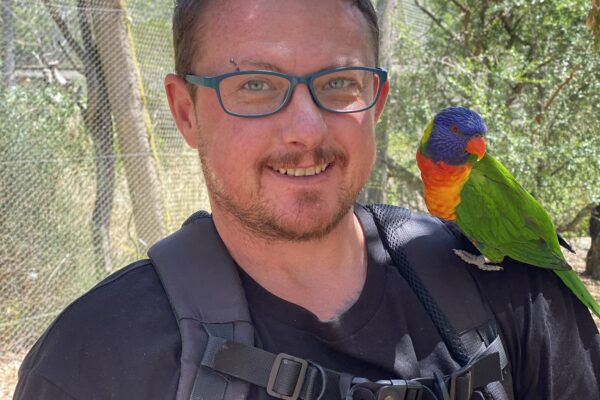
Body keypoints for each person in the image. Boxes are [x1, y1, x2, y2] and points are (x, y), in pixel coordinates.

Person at [13, 0, 600, 399]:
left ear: (377, 100)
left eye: (338, 82)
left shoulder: (519, 297)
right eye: (256, 84)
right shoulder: (93, 359)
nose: (305, 130)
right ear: (185, 111)